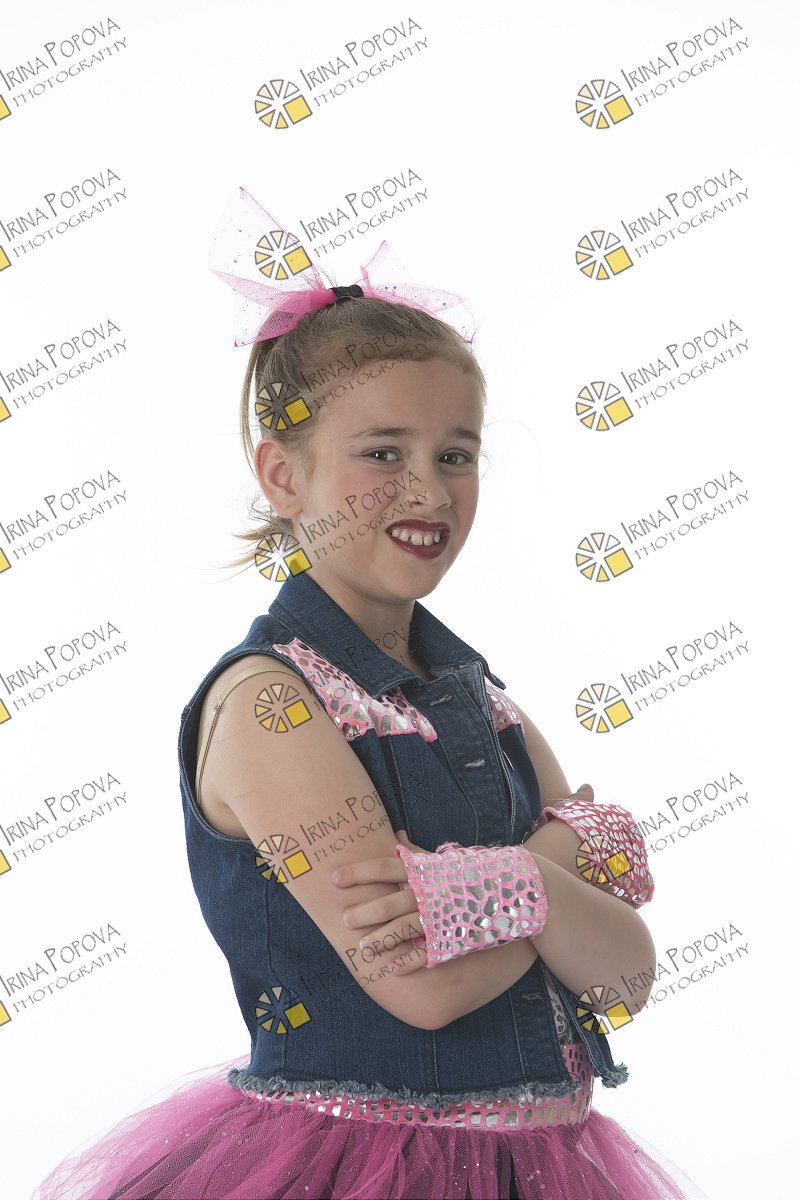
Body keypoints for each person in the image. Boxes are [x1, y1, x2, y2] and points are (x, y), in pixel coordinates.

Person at [31, 233, 706, 1199]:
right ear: (283, 475)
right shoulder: (271, 704)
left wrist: (496, 886)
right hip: (355, 1165)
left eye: (455, 454)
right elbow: (420, 987)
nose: (427, 489)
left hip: (539, 1166)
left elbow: (624, 978)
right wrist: (560, 865)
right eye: (382, 452)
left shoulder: (487, 704)